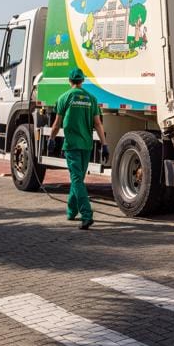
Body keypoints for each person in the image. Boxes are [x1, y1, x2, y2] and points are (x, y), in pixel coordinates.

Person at [48, 68, 108, 230]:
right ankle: (71, 210)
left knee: (76, 180)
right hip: (86, 146)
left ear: (70, 81)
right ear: (82, 81)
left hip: (72, 145)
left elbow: (57, 123)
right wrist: (104, 144)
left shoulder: (64, 97)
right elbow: (98, 124)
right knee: (78, 180)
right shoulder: (91, 99)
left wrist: (51, 139)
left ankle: (87, 215)